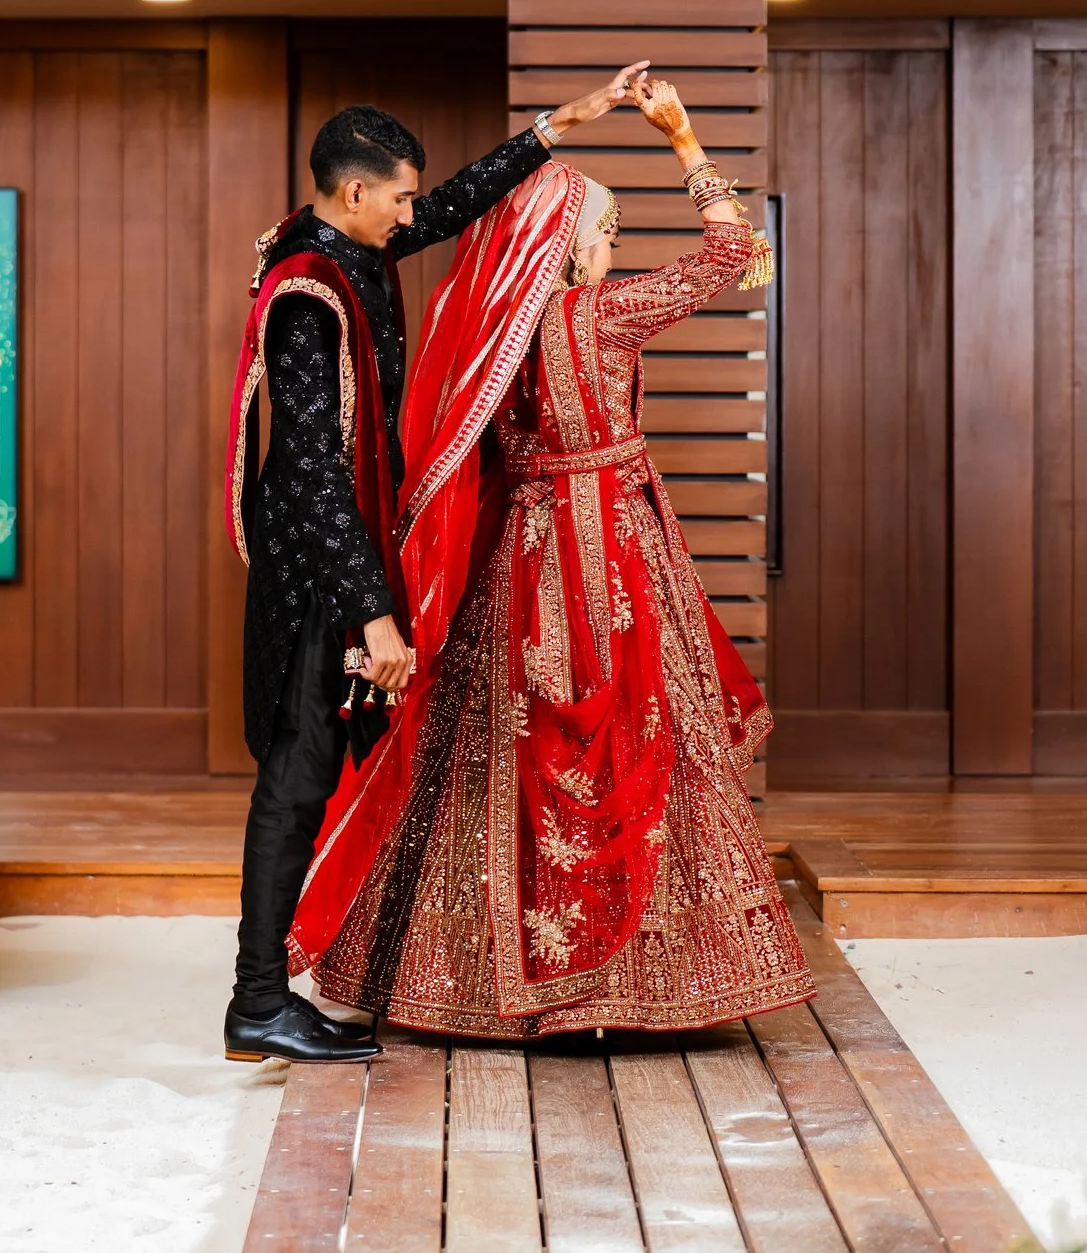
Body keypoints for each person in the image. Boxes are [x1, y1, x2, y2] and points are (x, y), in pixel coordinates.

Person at [288, 76, 814, 1037]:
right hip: (611, 550)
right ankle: (630, 984)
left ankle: (477, 980)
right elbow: (735, 253)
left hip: (523, 563)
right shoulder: (601, 315)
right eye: (605, 233)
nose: (612, 249)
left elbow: (461, 464)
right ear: (571, 244)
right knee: (644, 740)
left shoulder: (496, 333)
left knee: (495, 750)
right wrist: (684, 138)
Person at [221, 66, 649, 1064]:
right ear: (354, 191)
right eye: (401, 195)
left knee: (313, 776)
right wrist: (373, 614)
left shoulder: (351, 245)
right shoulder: (304, 295)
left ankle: (271, 993)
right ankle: (256, 1003)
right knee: (294, 780)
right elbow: (316, 471)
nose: (415, 211)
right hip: (312, 575)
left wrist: (555, 128)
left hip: (343, 561)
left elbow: (458, 204)